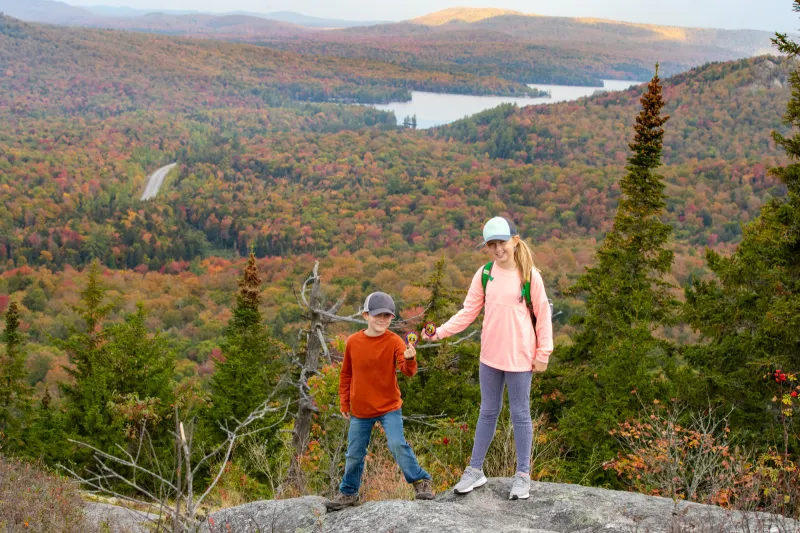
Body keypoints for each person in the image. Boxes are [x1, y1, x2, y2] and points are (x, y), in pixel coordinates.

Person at [422, 216, 553, 500]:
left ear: (514, 241)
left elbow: (543, 317)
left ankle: (522, 474)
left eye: (501, 242)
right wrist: (440, 332)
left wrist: (544, 353)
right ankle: (475, 470)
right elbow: (468, 312)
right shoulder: (484, 274)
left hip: (520, 358)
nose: (497, 249)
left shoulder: (530, 277)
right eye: (491, 244)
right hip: (490, 357)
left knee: (520, 414)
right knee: (488, 411)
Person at [326, 291, 435, 511]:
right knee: (355, 453)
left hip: (388, 407)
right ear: (366, 315)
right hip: (361, 410)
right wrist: (344, 402)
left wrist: (410, 359)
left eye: (387, 315)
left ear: (392, 318)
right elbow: (346, 374)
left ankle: (421, 482)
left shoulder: (394, 341)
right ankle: (348, 494)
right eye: (378, 315)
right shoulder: (353, 342)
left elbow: (407, 371)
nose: (382, 319)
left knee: (397, 444)